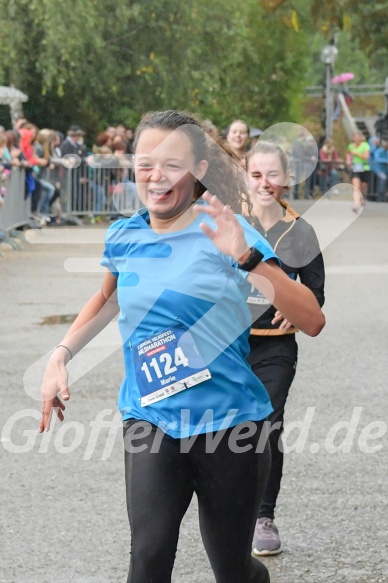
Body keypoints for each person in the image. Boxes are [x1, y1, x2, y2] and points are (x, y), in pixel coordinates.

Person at [39, 110, 325, 583]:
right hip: (151, 418)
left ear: (199, 172)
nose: (156, 176)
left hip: (231, 426)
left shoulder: (228, 231)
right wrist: (61, 354)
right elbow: (107, 298)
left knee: (233, 569)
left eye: (172, 164)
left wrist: (248, 257)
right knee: (148, 559)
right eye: (145, 162)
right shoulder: (125, 235)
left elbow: (311, 319)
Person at [244, 140, 325, 556]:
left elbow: (316, 293)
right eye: (256, 175)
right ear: (245, 176)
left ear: (287, 178)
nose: (264, 183)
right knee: (221, 429)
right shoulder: (231, 222)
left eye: (271, 175)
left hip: (276, 349)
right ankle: (226, 511)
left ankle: (263, 516)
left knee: (266, 427)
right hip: (228, 346)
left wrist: (297, 311)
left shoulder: (301, 232)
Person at [346, 132, 370, 213]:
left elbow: (366, 157)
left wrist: (356, 153)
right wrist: (348, 160)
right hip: (355, 168)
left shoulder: (365, 145)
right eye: (355, 138)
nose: (356, 139)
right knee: (356, 187)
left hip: (364, 167)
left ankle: (362, 197)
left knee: (363, 186)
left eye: (357, 137)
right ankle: (356, 205)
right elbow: (348, 153)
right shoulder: (351, 146)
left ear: (360, 138)